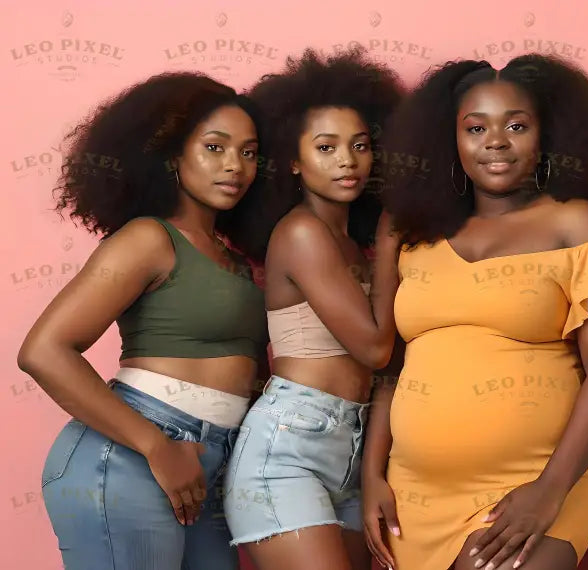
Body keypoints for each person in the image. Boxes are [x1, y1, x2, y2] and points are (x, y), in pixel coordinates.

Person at [362, 55, 588, 570]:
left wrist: (549, 490)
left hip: (537, 482)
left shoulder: (575, 224)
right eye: (475, 128)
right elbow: (391, 367)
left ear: (547, 135)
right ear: (449, 141)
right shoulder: (408, 231)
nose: (495, 141)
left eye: (516, 125)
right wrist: (371, 477)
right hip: (414, 497)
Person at [18, 73, 269, 570]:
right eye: (214, 147)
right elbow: (43, 351)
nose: (234, 166)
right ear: (172, 156)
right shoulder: (148, 239)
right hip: (134, 452)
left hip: (211, 461)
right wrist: (158, 447)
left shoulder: (235, 260)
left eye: (249, 152)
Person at [223, 48, 403, 570]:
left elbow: (389, 369)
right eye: (326, 147)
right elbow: (375, 348)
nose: (347, 160)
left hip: (352, 446)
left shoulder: (351, 247)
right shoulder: (302, 233)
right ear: (295, 161)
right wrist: (393, 244)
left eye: (359, 145)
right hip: (288, 450)